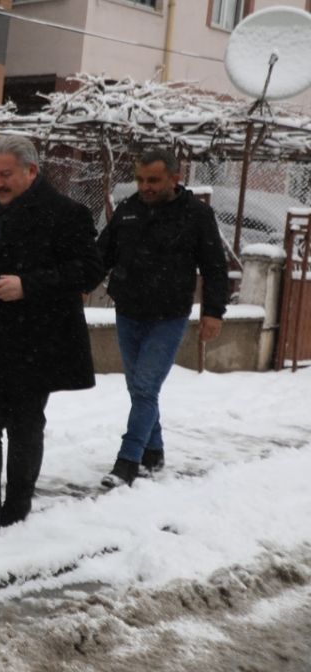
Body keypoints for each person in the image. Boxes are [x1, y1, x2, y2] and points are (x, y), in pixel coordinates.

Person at [0, 136, 103, 544]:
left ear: (32, 170)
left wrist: (28, 285)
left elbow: (87, 271)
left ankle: (15, 512)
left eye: (6, 174)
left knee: (25, 428)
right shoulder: (3, 209)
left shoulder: (67, 214)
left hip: (35, 345)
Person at [96, 148, 229, 488]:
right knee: (138, 387)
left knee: (144, 386)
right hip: (128, 312)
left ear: (175, 177)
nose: (146, 187)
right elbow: (101, 255)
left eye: (153, 180)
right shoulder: (128, 210)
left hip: (168, 316)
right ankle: (153, 451)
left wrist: (213, 312)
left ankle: (127, 462)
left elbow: (215, 267)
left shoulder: (196, 215)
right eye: (140, 180)